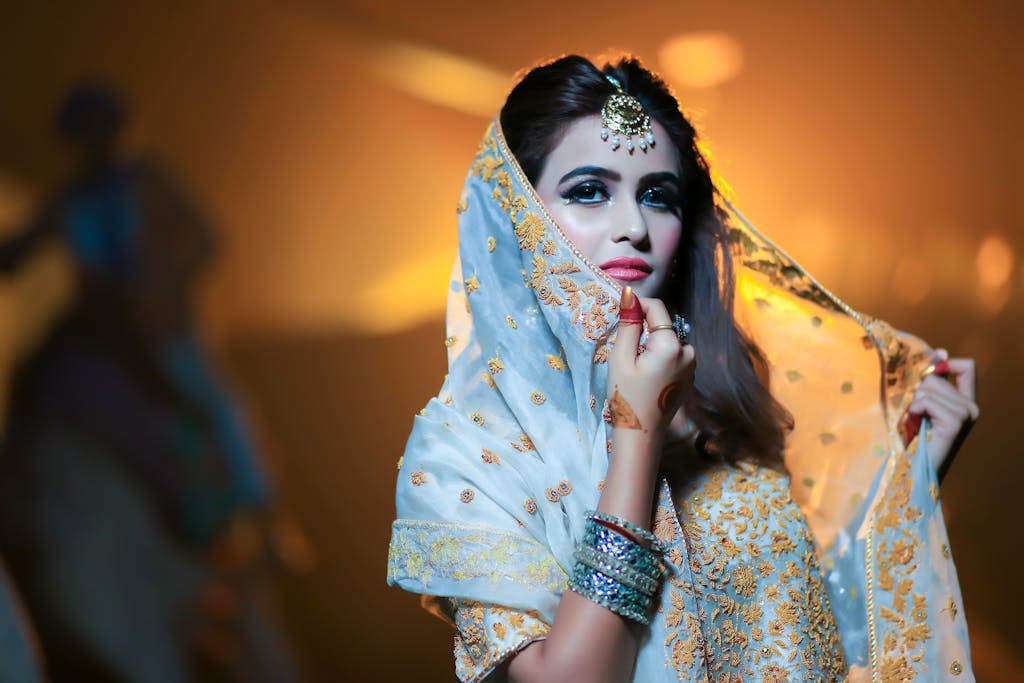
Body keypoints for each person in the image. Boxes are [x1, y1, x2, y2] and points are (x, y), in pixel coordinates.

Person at [387, 55, 977, 682]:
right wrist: (635, 433)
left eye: (657, 196)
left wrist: (910, 483)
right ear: (517, 217)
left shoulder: (720, 400)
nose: (634, 227)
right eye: (589, 191)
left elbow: (801, 639)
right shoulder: (464, 451)